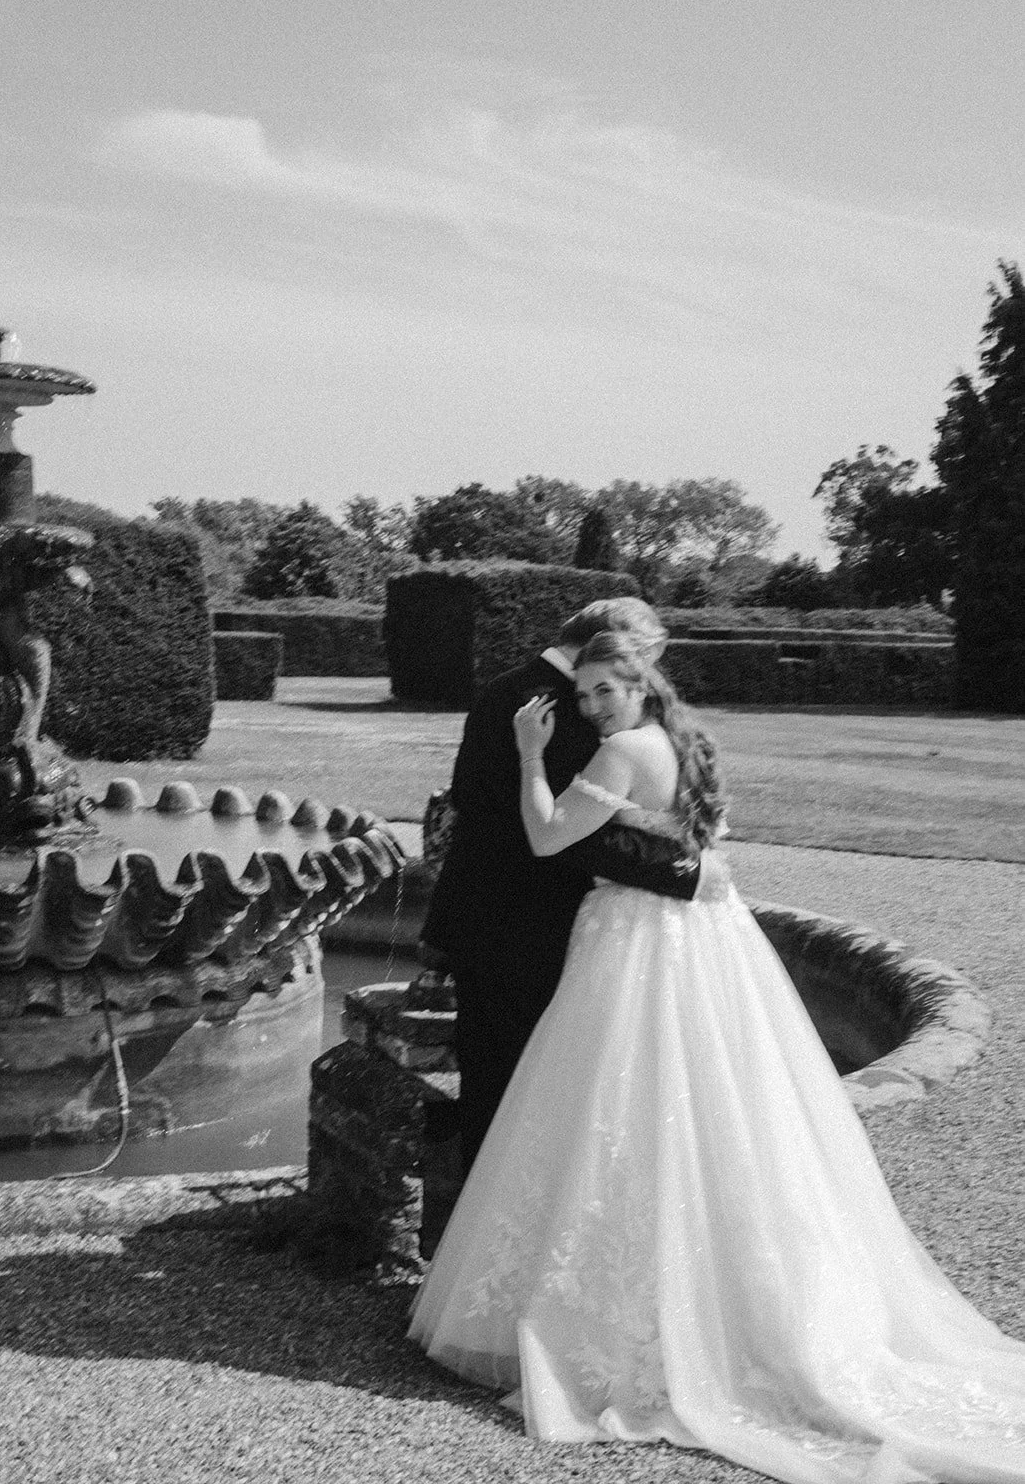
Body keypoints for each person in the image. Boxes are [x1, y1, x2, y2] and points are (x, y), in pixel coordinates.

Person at [410, 632, 1025, 1483]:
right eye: (582, 694)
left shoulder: (623, 751)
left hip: (633, 943)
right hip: (695, 940)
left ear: (637, 683)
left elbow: (549, 840)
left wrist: (528, 757)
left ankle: (632, 1318)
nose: (590, 707)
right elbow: (705, 839)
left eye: (602, 691)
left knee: (618, 1100)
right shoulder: (684, 742)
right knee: (693, 1098)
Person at [420, 598, 720, 1172]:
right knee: (504, 1083)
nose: (644, 669)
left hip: (533, 923)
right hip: (513, 928)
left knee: (546, 1085)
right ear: (605, 641)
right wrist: (684, 872)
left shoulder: (526, 689)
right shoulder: (535, 701)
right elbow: (556, 830)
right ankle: (482, 1223)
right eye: (642, 653)